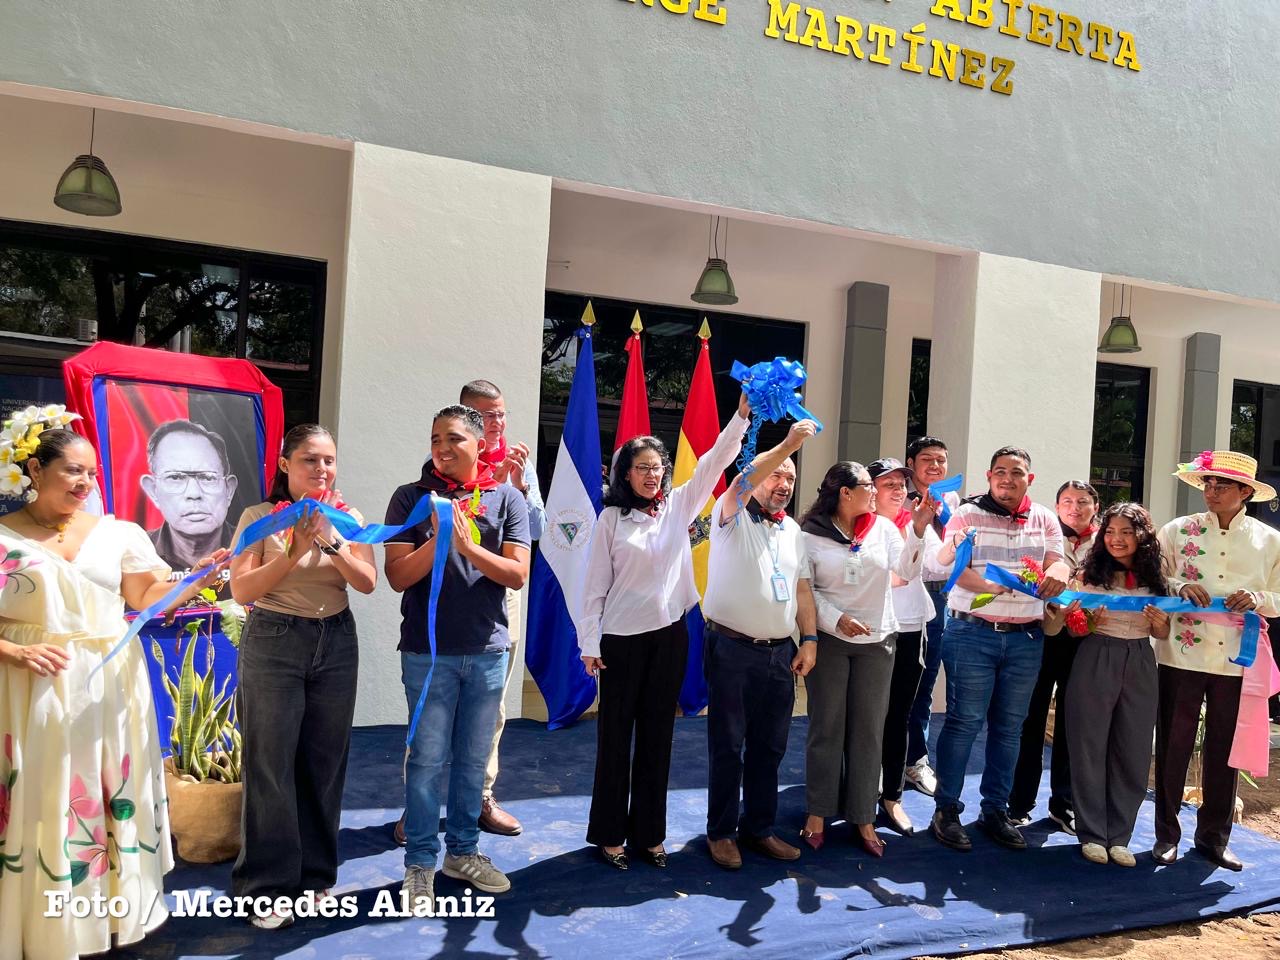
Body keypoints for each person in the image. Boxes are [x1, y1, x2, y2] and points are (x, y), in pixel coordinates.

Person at [0, 417, 227, 960]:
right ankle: (38, 924)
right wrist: (14, 651)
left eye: (92, 472)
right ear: (35, 470)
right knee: (42, 798)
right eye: (72, 471)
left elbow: (146, 595)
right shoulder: (4, 536)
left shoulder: (117, 533)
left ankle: (101, 920)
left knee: (102, 796)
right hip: (30, 687)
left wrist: (198, 577)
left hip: (110, 685)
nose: (85, 482)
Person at [578, 393, 750, 869]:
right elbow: (593, 588)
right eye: (642, 468)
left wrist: (741, 415)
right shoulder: (611, 519)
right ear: (625, 474)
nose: (652, 475)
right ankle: (610, 835)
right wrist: (589, 643)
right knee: (616, 739)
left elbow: (715, 461)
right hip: (620, 642)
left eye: (657, 467)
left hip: (670, 637)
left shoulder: (678, 506)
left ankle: (650, 835)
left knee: (659, 737)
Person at [228, 424, 377, 930]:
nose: (321, 469)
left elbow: (367, 582)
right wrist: (294, 550)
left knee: (324, 761)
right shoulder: (259, 518)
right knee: (270, 764)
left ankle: (314, 877)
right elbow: (242, 590)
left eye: (329, 460)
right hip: (275, 639)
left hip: (335, 640)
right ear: (285, 464)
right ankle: (266, 887)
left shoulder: (349, 518)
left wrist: (332, 542)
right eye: (310, 459)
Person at [385, 405, 530, 909]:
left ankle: (463, 853)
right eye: (435, 439)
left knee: (472, 761)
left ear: (479, 444)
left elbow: (517, 575)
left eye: (453, 439)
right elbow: (397, 576)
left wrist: (468, 547)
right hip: (427, 654)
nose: (442, 449)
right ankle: (420, 864)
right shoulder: (411, 497)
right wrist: (439, 535)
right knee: (426, 760)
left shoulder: (507, 498)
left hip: (487, 651)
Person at [929, 446, 1069, 853]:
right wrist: (993, 586)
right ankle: (947, 810)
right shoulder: (967, 515)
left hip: (1027, 638)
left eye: (1017, 472)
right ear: (990, 476)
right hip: (972, 633)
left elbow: (1058, 561)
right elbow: (952, 569)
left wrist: (1058, 573)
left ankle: (995, 810)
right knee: (964, 722)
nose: (1008, 479)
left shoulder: (1044, 517)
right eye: (1001, 472)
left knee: (1010, 728)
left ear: (1030, 479)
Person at [799, 460, 937, 857]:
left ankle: (863, 816)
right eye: (868, 486)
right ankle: (817, 813)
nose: (876, 493)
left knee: (868, 731)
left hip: (878, 641)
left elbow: (906, 570)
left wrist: (918, 530)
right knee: (827, 727)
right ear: (845, 493)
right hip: (830, 639)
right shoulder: (809, 535)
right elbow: (805, 590)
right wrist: (836, 618)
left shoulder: (883, 529)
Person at [700, 417, 819, 870]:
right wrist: (788, 444)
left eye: (791, 478)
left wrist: (809, 640)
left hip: (780, 654)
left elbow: (802, 588)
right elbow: (742, 480)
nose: (784, 484)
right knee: (728, 746)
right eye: (777, 475)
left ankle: (760, 828)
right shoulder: (731, 514)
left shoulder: (793, 531)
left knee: (770, 748)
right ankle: (721, 833)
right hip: (732, 650)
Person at [1153, 451, 1280, 871]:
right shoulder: (1178, 530)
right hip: (1182, 650)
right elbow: (1154, 576)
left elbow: (1278, 595)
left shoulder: (1269, 540)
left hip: (1237, 656)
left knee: (1225, 748)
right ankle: (1166, 834)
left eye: (1221, 485)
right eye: (1207, 483)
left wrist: (1258, 598)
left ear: (1246, 492)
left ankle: (1214, 837)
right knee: (1173, 744)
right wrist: (1180, 585)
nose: (1211, 491)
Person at [1053, 502, 1171, 866]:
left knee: (1133, 749)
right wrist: (1089, 621)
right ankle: (1091, 834)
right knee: (1088, 746)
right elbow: (1074, 630)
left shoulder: (1157, 577)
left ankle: (1120, 836)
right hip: (1095, 655)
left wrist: (1159, 623)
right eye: (1110, 532)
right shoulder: (1088, 575)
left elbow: (1163, 633)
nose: (1116, 539)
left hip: (1141, 660)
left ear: (1142, 536)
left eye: (1126, 532)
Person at [459, 379, 545, 838]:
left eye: (501, 414)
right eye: (486, 415)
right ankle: (421, 803)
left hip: (501, 600)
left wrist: (518, 488)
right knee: (435, 708)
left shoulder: (517, 463)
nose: (497, 423)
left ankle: (481, 796)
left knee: (491, 708)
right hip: (453, 597)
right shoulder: (450, 459)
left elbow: (539, 530)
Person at [1009, 480, 1100, 833]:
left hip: (1086, 639)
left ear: (1095, 506)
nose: (1074, 508)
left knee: (1072, 722)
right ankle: (1019, 802)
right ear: (1057, 506)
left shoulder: (1106, 541)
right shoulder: (1044, 535)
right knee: (1030, 719)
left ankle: (1064, 804)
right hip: (1042, 635)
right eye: (1067, 501)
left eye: (1083, 501)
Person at [869, 457, 941, 837]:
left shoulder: (915, 523)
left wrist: (958, 543)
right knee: (867, 716)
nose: (899, 491)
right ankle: (862, 790)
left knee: (899, 715)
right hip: (871, 630)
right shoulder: (861, 527)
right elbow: (891, 576)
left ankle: (892, 797)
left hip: (911, 627)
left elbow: (936, 566)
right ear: (870, 490)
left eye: (902, 484)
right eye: (889, 484)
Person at [902, 436, 961, 797]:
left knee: (926, 681)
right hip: (906, 592)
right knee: (899, 683)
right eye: (928, 459)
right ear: (911, 464)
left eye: (941, 460)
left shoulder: (951, 501)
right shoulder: (898, 496)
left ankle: (916, 760)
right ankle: (885, 759)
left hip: (941, 598)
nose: (936, 466)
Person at [140, 420, 238, 575]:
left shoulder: (253, 547)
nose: (194, 494)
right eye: (176, 477)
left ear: (229, 490)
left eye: (207, 477)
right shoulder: (138, 552)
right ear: (153, 490)